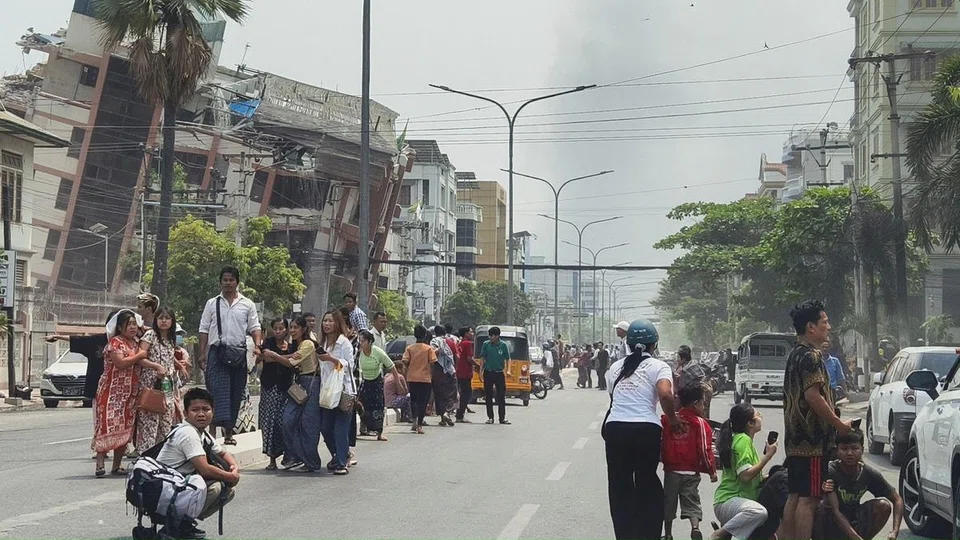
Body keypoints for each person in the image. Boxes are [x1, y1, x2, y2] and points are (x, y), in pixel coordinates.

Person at [602, 318, 680, 540]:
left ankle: (625, 535)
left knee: (619, 485)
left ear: (628, 343)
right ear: (654, 344)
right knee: (646, 480)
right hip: (646, 430)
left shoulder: (616, 367)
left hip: (616, 429)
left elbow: (613, 397)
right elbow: (665, 394)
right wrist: (673, 419)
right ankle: (649, 534)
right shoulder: (659, 366)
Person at [782, 300, 853, 540]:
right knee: (809, 499)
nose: (829, 327)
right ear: (811, 327)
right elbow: (813, 395)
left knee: (795, 495)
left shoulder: (795, 354)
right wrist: (838, 424)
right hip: (811, 441)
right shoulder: (811, 356)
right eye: (825, 322)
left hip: (794, 439)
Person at [156, 387, 239, 540]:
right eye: (195, 410)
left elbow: (223, 453)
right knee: (215, 488)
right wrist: (230, 477)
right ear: (186, 413)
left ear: (212, 411)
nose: (201, 414)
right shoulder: (188, 433)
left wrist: (234, 468)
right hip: (164, 490)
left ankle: (183, 524)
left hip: (177, 486)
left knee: (226, 491)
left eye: (206, 409)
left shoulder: (201, 432)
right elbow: (205, 469)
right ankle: (175, 525)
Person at [198, 267, 262, 445]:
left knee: (235, 395)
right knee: (216, 393)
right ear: (220, 282)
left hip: (238, 355)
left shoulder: (247, 304)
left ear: (237, 282)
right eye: (225, 280)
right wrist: (202, 353)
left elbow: (255, 327)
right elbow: (203, 329)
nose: (228, 283)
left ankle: (228, 434)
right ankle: (211, 434)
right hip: (217, 353)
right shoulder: (212, 303)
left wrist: (257, 347)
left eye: (231, 280)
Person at [93, 310, 157, 477]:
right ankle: (100, 464)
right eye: (129, 324)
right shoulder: (115, 343)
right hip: (110, 392)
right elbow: (121, 363)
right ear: (120, 327)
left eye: (134, 324)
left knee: (125, 427)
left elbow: (150, 332)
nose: (133, 328)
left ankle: (117, 465)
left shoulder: (136, 343)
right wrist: (140, 355)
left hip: (130, 393)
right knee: (106, 426)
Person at [814, 430, 903, 540]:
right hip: (830, 521)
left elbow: (897, 500)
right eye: (844, 449)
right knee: (818, 508)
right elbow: (836, 512)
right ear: (837, 451)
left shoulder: (868, 473)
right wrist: (854, 537)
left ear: (862, 450)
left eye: (854, 448)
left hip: (854, 518)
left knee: (883, 506)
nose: (850, 453)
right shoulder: (831, 471)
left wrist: (895, 531)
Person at [712, 403, 776, 540]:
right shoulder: (743, 440)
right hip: (730, 500)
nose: (761, 417)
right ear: (750, 423)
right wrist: (768, 456)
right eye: (758, 415)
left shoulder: (741, 440)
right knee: (759, 512)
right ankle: (720, 534)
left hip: (733, 501)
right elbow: (745, 476)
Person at [662, 385, 718, 540]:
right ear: (695, 404)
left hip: (672, 470)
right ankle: (695, 528)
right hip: (691, 471)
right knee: (691, 500)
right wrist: (711, 470)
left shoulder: (668, 419)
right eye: (703, 403)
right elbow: (705, 449)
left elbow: (662, 442)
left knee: (669, 502)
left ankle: (668, 534)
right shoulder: (700, 423)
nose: (704, 407)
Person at [267, 316, 321, 472]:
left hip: (311, 383)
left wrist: (275, 356)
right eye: (291, 327)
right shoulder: (296, 346)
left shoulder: (307, 344)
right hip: (299, 384)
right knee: (288, 419)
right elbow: (289, 358)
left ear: (303, 329)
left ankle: (311, 461)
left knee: (308, 424)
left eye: (296, 327)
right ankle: (295, 456)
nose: (292, 330)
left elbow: (292, 362)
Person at [135, 307, 182, 455]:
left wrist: (179, 366)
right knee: (149, 422)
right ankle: (146, 456)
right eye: (161, 318)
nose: (164, 321)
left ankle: (163, 456)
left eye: (167, 318)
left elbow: (170, 357)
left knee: (166, 421)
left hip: (167, 384)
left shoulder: (171, 338)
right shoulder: (150, 335)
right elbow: (140, 357)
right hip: (151, 383)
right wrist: (156, 366)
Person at [46, 311, 118, 405]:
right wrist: (58, 337)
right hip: (99, 389)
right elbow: (78, 340)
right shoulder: (97, 341)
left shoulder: (131, 342)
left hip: (120, 389)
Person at [319, 309, 356, 475]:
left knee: (340, 427)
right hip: (327, 391)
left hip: (343, 390)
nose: (327, 324)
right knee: (326, 427)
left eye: (330, 321)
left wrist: (331, 359)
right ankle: (340, 453)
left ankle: (342, 462)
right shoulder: (323, 343)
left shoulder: (344, 343)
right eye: (325, 321)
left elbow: (349, 365)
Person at [257, 318, 293, 470]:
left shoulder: (292, 346)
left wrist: (278, 357)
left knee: (284, 422)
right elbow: (266, 357)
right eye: (275, 328)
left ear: (286, 330)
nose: (278, 331)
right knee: (269, 423)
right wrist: (286, 359)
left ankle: (288, 454)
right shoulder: (268, 343)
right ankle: (272, 459)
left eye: (281, 328)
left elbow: (294, 361)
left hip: (286, 389)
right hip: (269, 388)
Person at [357, 329, 399, 441]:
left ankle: (379, 432)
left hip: (376, 382)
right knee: (362, 406)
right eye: (359, 341)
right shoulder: (358, 353)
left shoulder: (377, 352)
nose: (360, 343)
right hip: (364, 382)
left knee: (378, 407)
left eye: (363, 341)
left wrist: (398, 381)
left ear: (369, 342)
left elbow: (391, 366)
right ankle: (365, 427)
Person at [403, 325, 437, 434]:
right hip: (425, 379)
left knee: (414, 401)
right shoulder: (428, 349)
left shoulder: (409, 348)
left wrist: (408, 370)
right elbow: (433, 363)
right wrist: (432, 375)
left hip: (412, 378)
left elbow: (405, 362)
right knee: (423, 402)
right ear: (425, 335)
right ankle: (420, 425)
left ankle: (414, 421)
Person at [480, 326, 511, 425]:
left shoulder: (503, 345)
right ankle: (490, 417)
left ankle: (502, 418)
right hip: (488, 372)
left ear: (497, 336)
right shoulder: (486, 344)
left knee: (501, 396)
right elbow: (482, 358)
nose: (491, 338)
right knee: (488, 396)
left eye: (492, 336)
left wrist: (508, 370)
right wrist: (481, 371)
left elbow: (508, 358)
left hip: (499, 373)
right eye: (490, 336)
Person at [430, 325, 459, 427]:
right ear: (445, 332)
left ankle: (443, 417)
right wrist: (455, 368)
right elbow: (457, 356)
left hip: (438, 371)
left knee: (439, 394)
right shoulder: (451, 342)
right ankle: (447, 413)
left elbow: (432, 354)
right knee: (451, 394)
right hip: (450, 371)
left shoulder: (434, 342)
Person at [675, 344, 712, 420]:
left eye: (678, 357)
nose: (677, 360)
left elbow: (681, 391)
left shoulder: (685, 371)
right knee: (704, 417)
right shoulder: (694, 363)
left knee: (698, 418)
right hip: (706, 391)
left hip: (700, 394)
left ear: (684, 358)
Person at [456, 327, 479, 423]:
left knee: (462, 393)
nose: (473, 333)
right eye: (471, 332)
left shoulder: (460, 343)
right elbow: (469, 358)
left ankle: (459, 413)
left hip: (459, 372)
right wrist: (478, 366)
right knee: (467, 394)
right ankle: (460, 415)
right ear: (466, 334)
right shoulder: (468, 344)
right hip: (465, 373)